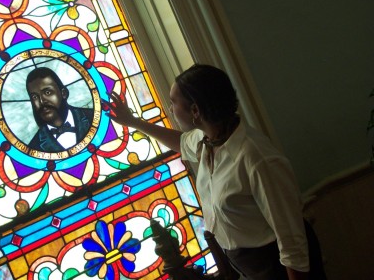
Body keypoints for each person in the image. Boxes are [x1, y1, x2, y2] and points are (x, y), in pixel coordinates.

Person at [106, 64, 326, 280]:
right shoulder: (207, 139)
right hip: (246, 263)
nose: (170, 109)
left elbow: (291, 241)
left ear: (195, 110)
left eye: (174, 102)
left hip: (274, 264)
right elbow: (181, 143)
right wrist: (133, 122)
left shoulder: (256, 158)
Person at [26, 67, 94, 152]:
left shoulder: (94, 117)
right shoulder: (34, 147)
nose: (42, 101)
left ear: (64, 93)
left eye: (47, 92)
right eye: (35, 97)